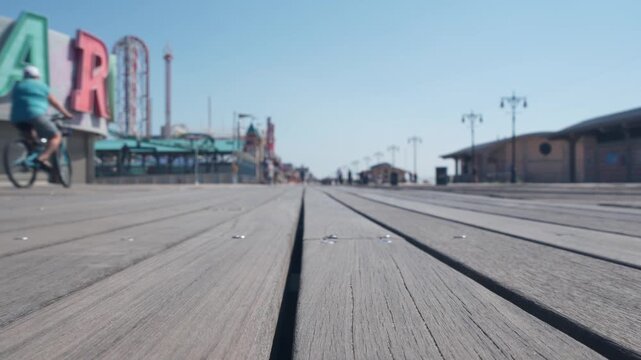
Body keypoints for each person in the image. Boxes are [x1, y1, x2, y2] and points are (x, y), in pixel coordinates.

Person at [10, 65, 73, 169]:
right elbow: (54, 102)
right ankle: (42, 158)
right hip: (36, 115)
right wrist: (66, 114)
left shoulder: (17, 86)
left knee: (33, 139)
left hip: (16, 118)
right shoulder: (41, 86)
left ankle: (30, 158)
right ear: (37, 76)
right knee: (56, 136)